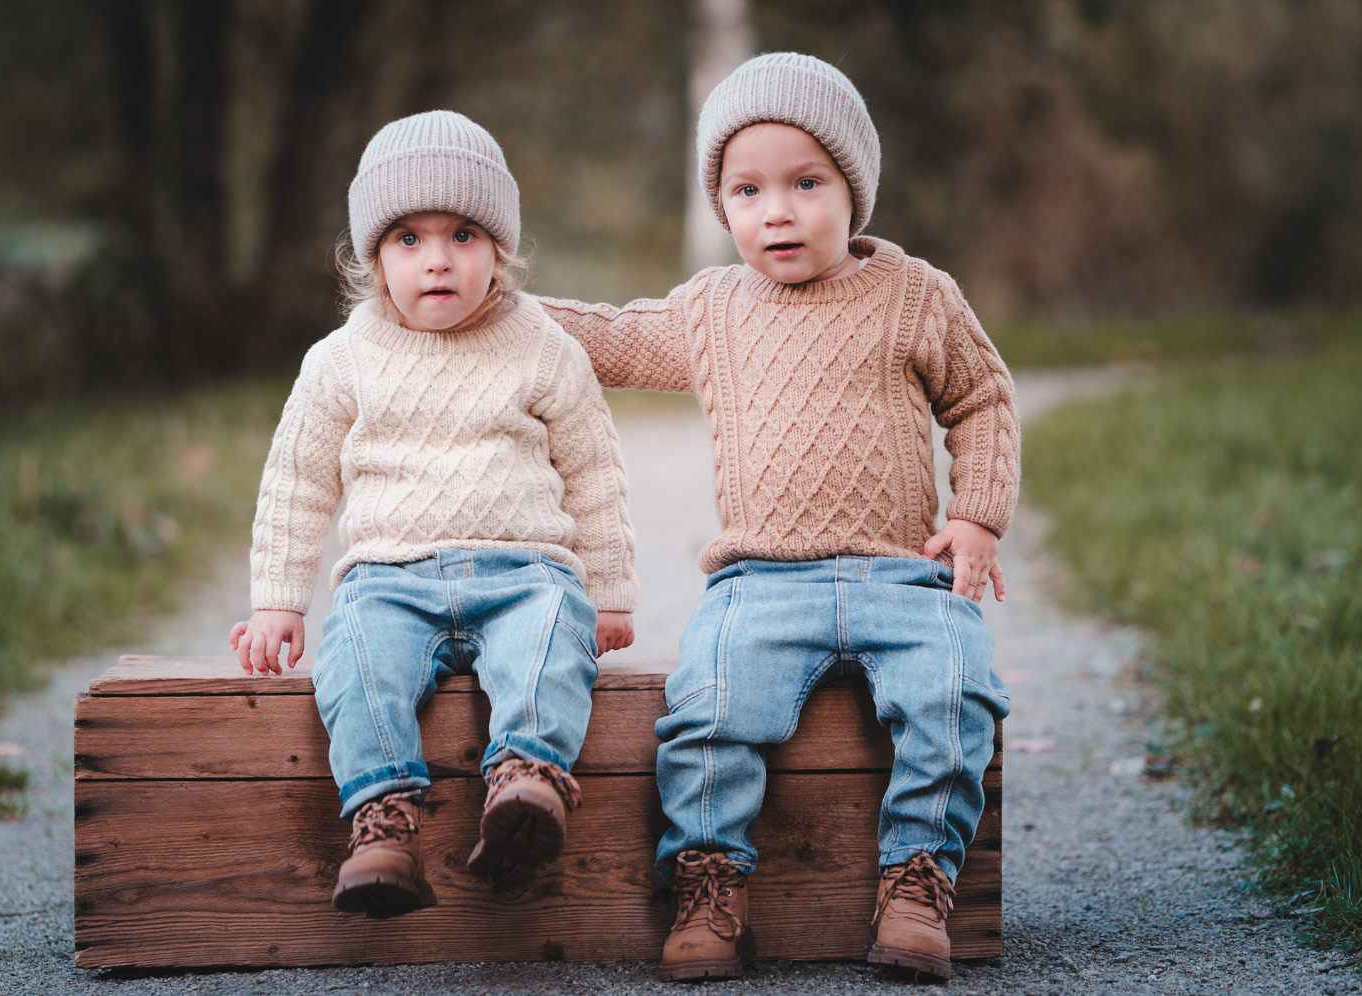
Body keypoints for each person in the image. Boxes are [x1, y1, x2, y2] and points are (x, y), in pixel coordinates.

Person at [538, 53, 1018, 983]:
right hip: (761, 582)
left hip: (901, 574)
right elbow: (615, 334)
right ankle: (711, 883)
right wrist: (501, 306)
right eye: (747, 189)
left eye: (807, 183)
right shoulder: (714, 307)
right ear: (721, 204)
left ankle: (918, 881)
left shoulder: (917, 294)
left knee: (958, 690)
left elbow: (983, 400)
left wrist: (979, 517)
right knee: (706, 706)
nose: (778, 211)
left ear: (854, 189)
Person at [229, 110, 637, 919]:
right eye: (408, 239)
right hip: (389, 577)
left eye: (463, 236)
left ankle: (528, 780)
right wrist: (278, 599)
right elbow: (297, 480)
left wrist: (613, 587)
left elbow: (593, 469)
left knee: (551, 642)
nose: (438, 260)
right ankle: (384, 820)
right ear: (374, 256)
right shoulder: (341, 359)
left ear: (501, 251)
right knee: (357, 663)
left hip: (526, 570)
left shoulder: (543, 344)